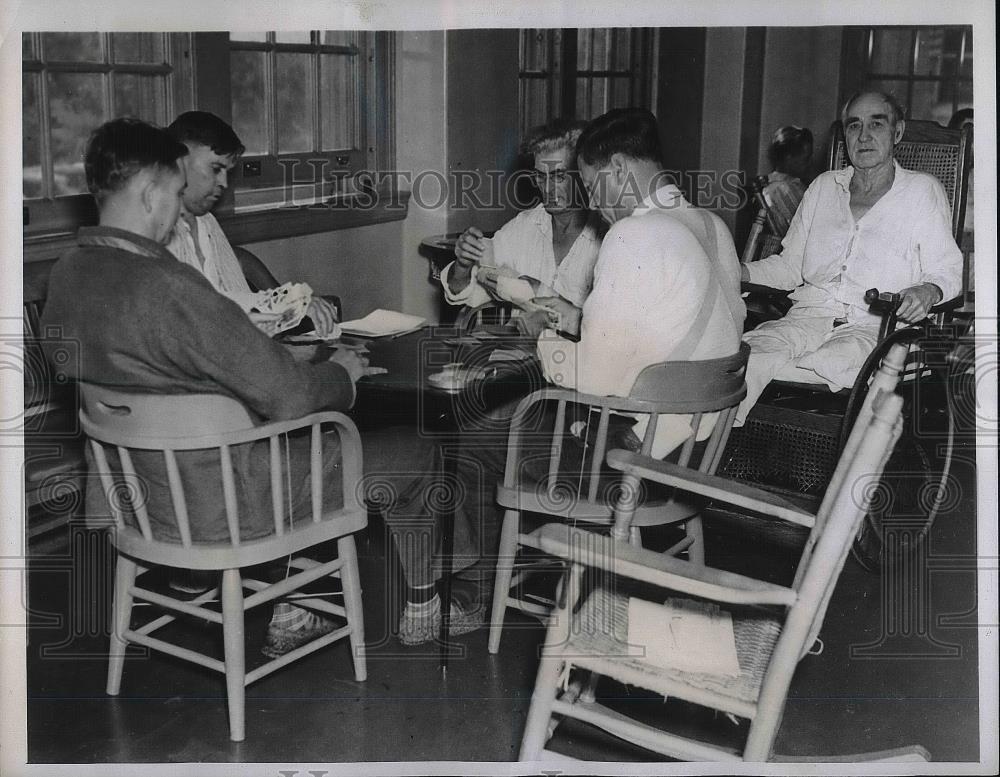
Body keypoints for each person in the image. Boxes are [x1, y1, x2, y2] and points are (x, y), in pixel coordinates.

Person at [379, 108, 744, 645]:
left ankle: (470, 596)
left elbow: (593, 383)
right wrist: (578, 320)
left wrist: (544, 343)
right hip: (695, 450)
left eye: (592, 184)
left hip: (630, 460)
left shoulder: (633, 235)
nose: (593, 200)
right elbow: (670, 331)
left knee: (473, 435)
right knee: (507, 419)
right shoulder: (709, 224)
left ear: (618, 168)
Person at [40, 118, 369, 658]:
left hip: (134, 496)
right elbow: (288, 396)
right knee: (393, 447)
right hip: (218, 506)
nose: (176, 210)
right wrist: (342, 376)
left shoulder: (68, 276)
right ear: (149, 194)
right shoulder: (170, 286)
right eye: (173, 192)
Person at [736, 91, 964, 424]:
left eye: (877, 123)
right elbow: (789, 267)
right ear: (845, 136)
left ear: (897, 132)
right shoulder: (823, 188)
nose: (865, 135)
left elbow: (947, 270)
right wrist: (736, 270)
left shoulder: (921, 191)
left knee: (828, 361)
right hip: (807, 318)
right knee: (744, 359)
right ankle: (701, 461)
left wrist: (927, 291)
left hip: (875, 327)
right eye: (854, 125)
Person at [164, 111, 339, 337]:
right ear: (178, 162)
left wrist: (294, 301)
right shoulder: (160, 230)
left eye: (227, 172)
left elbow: (228, 295)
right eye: (216, 169)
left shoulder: (206, 222)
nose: (224, 183)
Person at [442, 118, 601, 315]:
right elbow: (465, 291)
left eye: (559, 176)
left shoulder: (607, 235)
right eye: (541, 176)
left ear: (582, 175)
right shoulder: (526, 226)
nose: (547, 188)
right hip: (519, 346)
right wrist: (462, 266)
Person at [762, 125, 813, 235]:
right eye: (805, 159)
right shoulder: (786, 188)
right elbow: (802, 230)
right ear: (788, 158)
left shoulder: (771, 183)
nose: (809, 164)